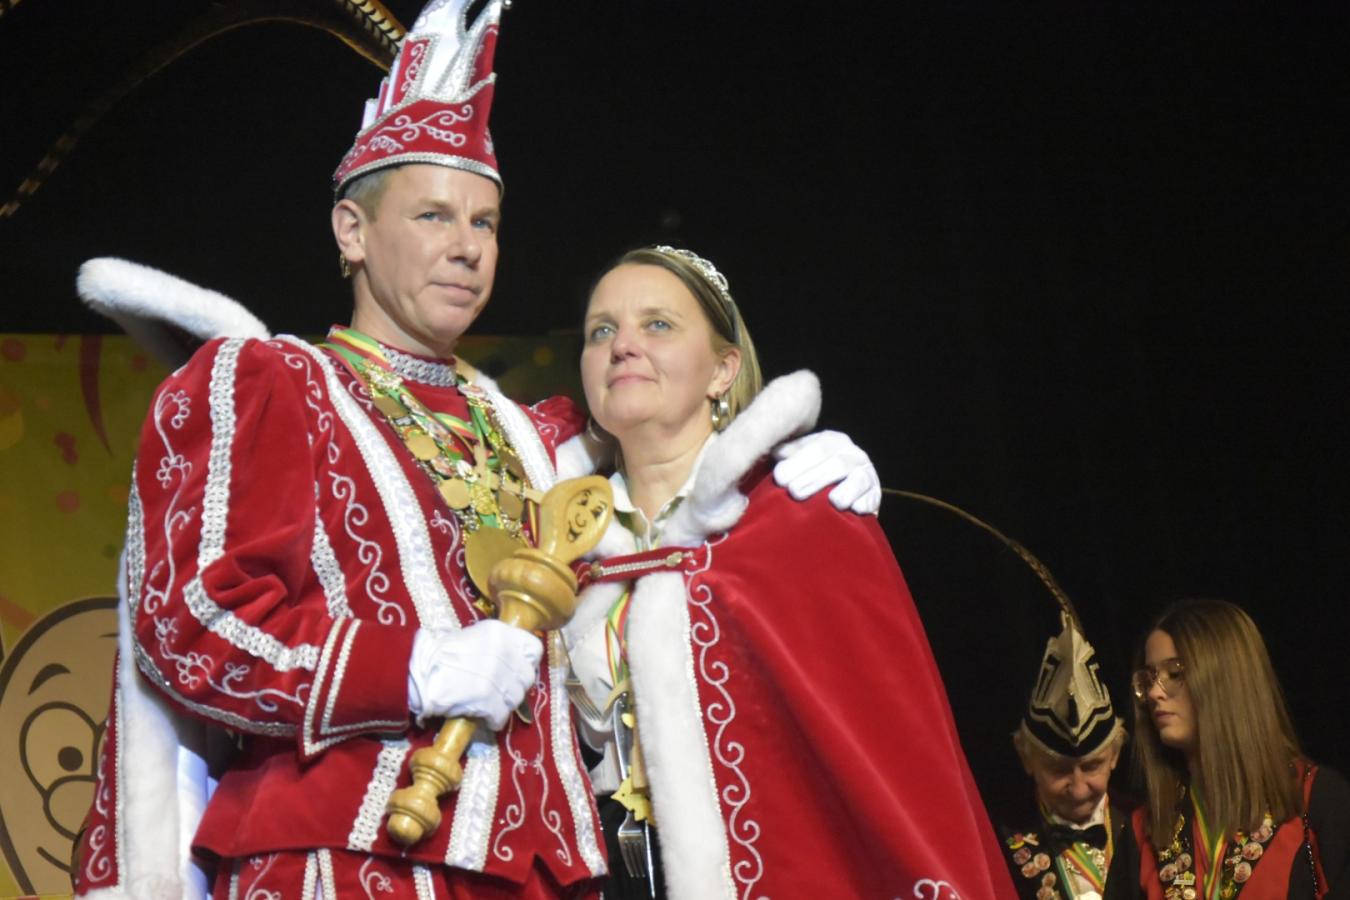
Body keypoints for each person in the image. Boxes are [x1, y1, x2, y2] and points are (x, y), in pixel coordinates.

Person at [69, 3, 878, 898]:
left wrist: (787, 486)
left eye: (486, 223)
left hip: (543, 877)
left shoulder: (539, 435)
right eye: (433, 216)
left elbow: (674, 494)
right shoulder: (273, 383)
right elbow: (190, 628)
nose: (466, 249)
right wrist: (413, 671)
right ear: (351, 231)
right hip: (346, 861)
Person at [560, 245, 1016, 899]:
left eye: (657, 324)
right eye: (601, 330)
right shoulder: (555, 542)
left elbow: (893, 753)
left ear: (723, 370)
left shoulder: (800, 517)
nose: (623, 345)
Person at [1127, 597, 1350, 898]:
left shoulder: (1317, 801)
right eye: (1149, 678)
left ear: (1226, 679)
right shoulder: (1145, 828)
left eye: (1175, 673)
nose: (1155, 692)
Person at [1000, 611, 1139, 899]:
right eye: (1059, 769)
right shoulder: (996, 842)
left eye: (1092, 767)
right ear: (1026, 758)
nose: (1078, 789)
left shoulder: (1148, 827)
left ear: (1114, 754)